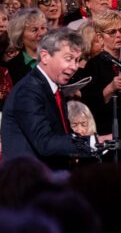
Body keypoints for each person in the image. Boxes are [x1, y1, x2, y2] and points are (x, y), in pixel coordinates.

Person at [1, 27, 95, 164]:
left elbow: (61, 134)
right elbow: (45, 142)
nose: (74, 66)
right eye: (68, 58)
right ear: (45, 56)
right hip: (31, 175)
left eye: (77, 60)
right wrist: (92, 142)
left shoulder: (53, 87)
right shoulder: (28, 91)